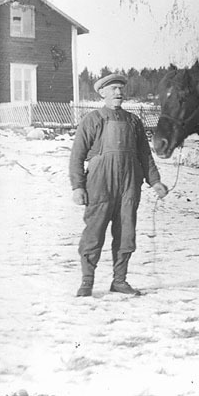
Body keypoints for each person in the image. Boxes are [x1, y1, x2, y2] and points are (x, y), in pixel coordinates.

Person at [70, 73, 168, 297]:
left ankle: (120, 280)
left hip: (129, 185)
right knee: (93, 233)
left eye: (120, 89)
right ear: (102, 92)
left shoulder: (134, 121)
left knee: (126, 233)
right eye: (113, 89)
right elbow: (76, 156)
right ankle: (87, 281)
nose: (118, 93)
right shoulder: (92, 120)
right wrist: (78, 186)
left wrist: (155, 181)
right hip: (99, 184)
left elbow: (145, 155)